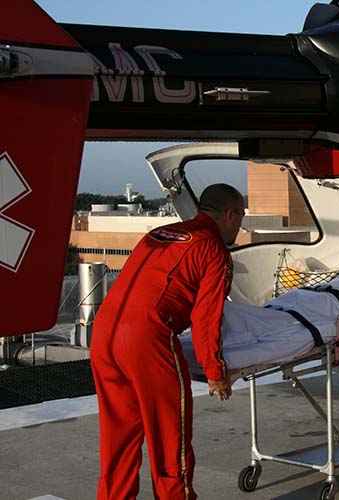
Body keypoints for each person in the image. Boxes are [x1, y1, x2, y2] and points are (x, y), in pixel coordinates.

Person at [90, 183, 246, 500]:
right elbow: (207, 317)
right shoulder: (212, 248)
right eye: (240, 218)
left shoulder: (160, 233)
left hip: (104, 331)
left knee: (117, 437)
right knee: (169, 436)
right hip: (147, 337)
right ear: (230, 215)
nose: (239, 227)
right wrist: (215, 371)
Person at [181, 260, 339, 372]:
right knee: (257, 318)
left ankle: (202, 357)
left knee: (284, 333)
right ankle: (185, 344)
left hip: (330, 310)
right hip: (308, 299)